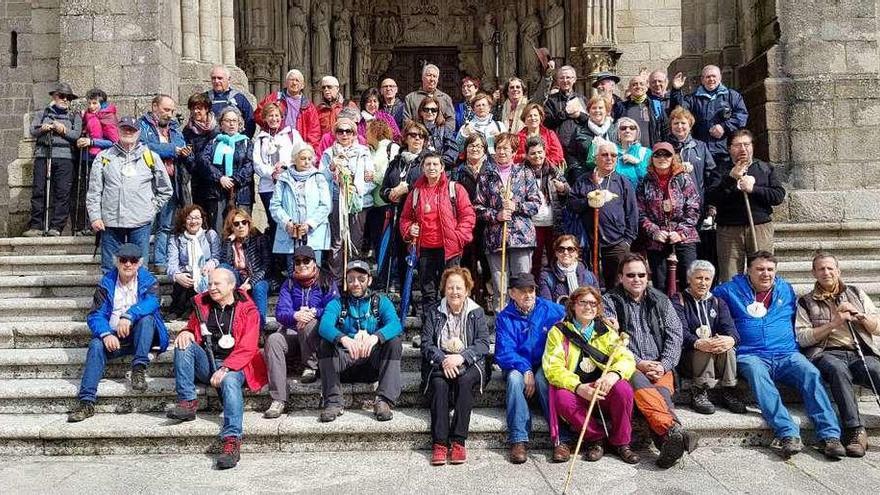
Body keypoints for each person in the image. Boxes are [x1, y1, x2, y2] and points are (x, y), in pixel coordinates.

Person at [714, 251, 846, 460]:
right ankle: (788, 432)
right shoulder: (729, 291)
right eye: (759, 269)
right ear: (748, 270)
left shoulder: (785, 288)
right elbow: (705, 303)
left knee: (811, 373)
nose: (765, 274)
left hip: (787, 353)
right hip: (751, 354)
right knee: (759, 376)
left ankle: (830, 435)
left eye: (770, 270)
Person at [166, 268, 269, 470]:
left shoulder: (249, 309)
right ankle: (188, 401)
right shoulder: (201, 304)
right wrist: (186, 332)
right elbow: (192, 327)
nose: (211, 288)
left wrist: (227, 368)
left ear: (231, 286)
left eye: (217, 284)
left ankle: (232, 440)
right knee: (183, 343)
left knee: (230, 381)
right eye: (210, 283)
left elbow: (248, 346)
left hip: (238, 364)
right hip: (208, 362)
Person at [604, 253, 694, 469]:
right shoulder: (609, 301)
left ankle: (669, 442)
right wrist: (639, 363)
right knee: (651, 392)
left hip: (660, 365)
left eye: (641, 275)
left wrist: (663, 364)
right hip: (628, 365)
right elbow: (610, 340)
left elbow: (675, 334)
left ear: (648, 276)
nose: (637, 279)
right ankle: (673, 430)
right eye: (631, 275)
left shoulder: (661, 300)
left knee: (660, 394)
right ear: (620, 277)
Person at [66, 243, 170, 422]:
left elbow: (152, 302)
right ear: (117, 262)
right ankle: (86, 402)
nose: (128, 264)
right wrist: (106, 333)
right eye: (124, 260)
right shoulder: (106, 283)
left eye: (133, 260)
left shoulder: (149, 280)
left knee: (147, 319)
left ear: (139, 263)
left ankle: (138, 369)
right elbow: (95, 315)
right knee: (96, 344)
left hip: (142, 337)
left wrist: (129, 315)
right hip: (115, 337)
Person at [795, 252, 880, 457]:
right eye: (821, 269)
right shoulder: (806, 302)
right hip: (827, 353)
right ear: (813, 273)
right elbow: (802, 337)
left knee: (876, 368)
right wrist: (833, 323)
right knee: (837, 370)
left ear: (838, 271)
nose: (826, 272)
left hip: (859, 351)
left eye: (830, 268)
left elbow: (877, 327)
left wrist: (861, 317)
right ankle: (855, 431)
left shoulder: (856, 293)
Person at [543, 286, 640, 464]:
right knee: (562, 398)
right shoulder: (558, 332)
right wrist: (579, 387)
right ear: (573, 305)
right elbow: (553, 368)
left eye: (593, 303)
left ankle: (622, 442)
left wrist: (613, 375)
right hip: (578, 392)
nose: (589, 307)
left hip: (603, 390)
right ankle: (596, 439)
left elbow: (626, 358)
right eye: (583, 302)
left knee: (623, 389)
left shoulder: (606, 331)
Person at [317, 260, 403, 422]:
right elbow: (324, 326)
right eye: (351, 279)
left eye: (361, 279)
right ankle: (334, 402)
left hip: (372, 364)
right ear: (346, 281)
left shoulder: (380, 301)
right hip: (344, 365)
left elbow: (396, 324)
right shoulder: (337, 303)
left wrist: (376, 337)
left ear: (369, 280)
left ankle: (384, 400)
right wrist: (343, 339)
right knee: (325, 343)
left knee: (394, 342)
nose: (355, 283)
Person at [494, 273, 567, 463]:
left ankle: (561, 438)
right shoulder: (504, 317)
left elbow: (576, 312)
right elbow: (504, 352)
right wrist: (526, 369)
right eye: (523, 291)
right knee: (514, 379)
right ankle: (519, 439)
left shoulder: (551, 309)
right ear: (512, 293)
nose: (529, 295)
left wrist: (603, 317)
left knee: (545, 378)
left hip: (545, 363)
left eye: (532, 290)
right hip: (517, 365)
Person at [421, 267, 490, 465]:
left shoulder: (476, 312)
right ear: (444, 289)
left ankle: (459, 441)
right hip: (440, 360)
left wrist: (461, 358)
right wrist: (443, 359)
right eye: (450, 287)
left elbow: (483, 343)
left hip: (469, 361)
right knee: (440, 385)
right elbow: (426, 343)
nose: (454, 292)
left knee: (465, 379)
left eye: (459, 287)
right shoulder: (434, 312)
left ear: (467, 290)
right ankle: (440, 443)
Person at [86, 117, 172, 273]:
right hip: (110, 222)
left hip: (140, 222)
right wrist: (95, 216)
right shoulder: (104, 157)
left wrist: (150, 209)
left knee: (140, 269)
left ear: (138, 132)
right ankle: (110, 297)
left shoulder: (151, 157)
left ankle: (140, 297)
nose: (128, 132)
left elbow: (166, 189)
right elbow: (94, 191)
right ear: (118, 130)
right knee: (110, 269)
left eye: (132, 129)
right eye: (124, 128)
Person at [264, 246, 339, 418]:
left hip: (316, 336)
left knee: (309, 323)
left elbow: (334, 307)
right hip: (292, 333)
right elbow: (280, 313)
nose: (302, 265)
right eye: (297, 262)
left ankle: (310, 367)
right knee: (274, 339)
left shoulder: (327, 280)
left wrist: (313, 313)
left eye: (306, 261)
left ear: (314, 263)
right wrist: (295, 315)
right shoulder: (289, 283)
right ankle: (278, 399)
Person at [399, 152, 476, 316]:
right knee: (428, 292)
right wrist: (408, 229)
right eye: (428, 164)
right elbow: (405, 218)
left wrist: (458, 237)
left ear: (442, 168)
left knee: (450, 290)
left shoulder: (454, 189)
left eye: (435, 164)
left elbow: (468, 215)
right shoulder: (415, 193)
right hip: (425, 249)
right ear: (423, 168)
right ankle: (429, 330)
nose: (431, 167)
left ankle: (450, 327)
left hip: (449, 250)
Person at [475, 133, 541, 312]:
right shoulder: (486, 176)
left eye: (506, 148)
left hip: (521, 237)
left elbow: (535, 204)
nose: (501, 152)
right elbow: (478, 208)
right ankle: (502, 327)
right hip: (495, 239)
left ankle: (524, 323)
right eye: (498, 148)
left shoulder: (524, 173)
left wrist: (516, 205)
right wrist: (496, 215)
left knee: (523, 285)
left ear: (513, 152)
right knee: (500, 287)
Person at [710, 129, 785, 282]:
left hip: (759, 226)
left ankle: (761, 304)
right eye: (737, 145)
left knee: (762, 271)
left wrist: (753, 189)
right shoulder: (720, 170)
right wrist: (731, 179)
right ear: (729, 148)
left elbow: (778, 196)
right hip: (729, 229)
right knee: (730, 275)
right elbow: (712, 197)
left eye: (746, 144)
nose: (742, 149)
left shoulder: (765, 168)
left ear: (752, 147)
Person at [671, 260, 745, 415]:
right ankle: (699, 391)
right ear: (689, 279)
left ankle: (729, 389)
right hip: (689, 357)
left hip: (715, 356)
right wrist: (698, 343)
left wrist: (729, 340)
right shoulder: (678, 301)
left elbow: (732, 331)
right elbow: (680, 332)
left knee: (728, 348)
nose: (703, 283)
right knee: (703, 349)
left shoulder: (718, 302)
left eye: (707, 279)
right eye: (698, 278)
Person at [567, 140, 638, 290]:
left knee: (617, 286)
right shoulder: (584, 180)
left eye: (613, 155)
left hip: (617, 243)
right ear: (595, 158)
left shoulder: (623, 182)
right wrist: (589, 201)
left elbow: (632, 213)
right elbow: (572, 204)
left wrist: (627, 241)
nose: (609, 158)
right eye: (604, 155)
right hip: (588, 244)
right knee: (589, 285)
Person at [637, 141, 701, 294]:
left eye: (667, 154)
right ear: (652, 158)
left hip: (684, 237)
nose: (662, 158)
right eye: (658, 154)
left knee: (689, 279)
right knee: (660, 284)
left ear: (673, 157)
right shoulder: (645, 182)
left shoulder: (684, 179)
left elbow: (694, 207)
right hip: (657, 239)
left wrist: (680, 232)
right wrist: (654, 231)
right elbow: (640, 213)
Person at [23, 82, 83, 237]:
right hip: (44, 155)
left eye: (68, 98)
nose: (65, 99)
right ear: (54, 96)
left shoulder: (74, 115)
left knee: (62, 192)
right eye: (62, 96)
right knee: (39, 190)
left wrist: (62, 130)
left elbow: (76, 135)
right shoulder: (43, 113)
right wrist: (43, 128)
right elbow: (32, 130)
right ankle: (36, 225)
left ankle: (57, 226)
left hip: (65, 158)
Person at [319, 117, 374, 279]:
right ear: (335, 134)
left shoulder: (363, 152)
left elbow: (370, 179)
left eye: (348, 131)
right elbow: (321, 179)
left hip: (357, 201)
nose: (344, 135)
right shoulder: (329, 154)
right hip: (336, 200)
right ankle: (336, 278)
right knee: (337, 241)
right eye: (340, 131)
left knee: (355, 239)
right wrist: (331, 169)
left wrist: (356, 189)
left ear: (354, 134)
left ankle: (353, 276)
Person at [379, 122, 431, 290]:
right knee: (401, 256)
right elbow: (383, 189)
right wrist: (390, 194)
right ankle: (403, 297)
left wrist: (407, 187)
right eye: (413, 135)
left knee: (421, 260)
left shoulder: (428, 161)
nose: (417, 139)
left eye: (421, 136)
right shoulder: (396, 162)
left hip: (421, 217)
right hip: (398, 215)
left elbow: (431, 184)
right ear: (405, 138)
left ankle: (421, 298)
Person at [138, 94, 187, 272]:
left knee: (166, 226)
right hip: (148, 182)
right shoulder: (142, 125)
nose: (170, 114)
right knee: (146, 224)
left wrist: (181, 151)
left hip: (171, 182)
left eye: (172, 111)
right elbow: (144, 147)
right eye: (166, 110)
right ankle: (141, 264)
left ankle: (160, 262)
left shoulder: (174, 128)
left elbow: (182, 146)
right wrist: (172, 150)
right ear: (154, 107)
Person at [670, 65, 749, 166]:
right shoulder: (693, 99)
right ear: (702, 80)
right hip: (701, 152)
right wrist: (676, 90)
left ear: (720, 78)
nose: (711, 79)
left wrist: (724, 127)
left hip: (725, 152)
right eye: (707, 77)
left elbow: (741, 116)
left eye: (714, 76)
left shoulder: (732, 96)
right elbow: (679, 111)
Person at [270, 143, 332, 268]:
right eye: (303, 159)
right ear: (294, 159)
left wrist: (310, 224)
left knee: (314, 270)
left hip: (313, 233)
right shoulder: (283, 179)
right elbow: (275, 205)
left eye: (309, 159)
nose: (307, 162)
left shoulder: (318, 177)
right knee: (293, 270)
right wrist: (287, 222)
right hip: (291, 233)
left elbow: (325, 205)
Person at [253, 102, 303, 255]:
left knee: (289, 221)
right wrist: (271, 172)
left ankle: (293, 257)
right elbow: (257, 163)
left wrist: (285, 167)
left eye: (276, 115)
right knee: (274, 223)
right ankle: (277, 261)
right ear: (265, 118)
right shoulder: (260, 139)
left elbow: (301, 154)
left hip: (288, 185)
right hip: (268, 187)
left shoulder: (292, 134)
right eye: (270, 116)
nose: (274, 119)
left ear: (282, 117)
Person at [452, 133, 492, 306]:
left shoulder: (492, 170)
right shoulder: (457, 171)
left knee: (487, 260)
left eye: (479, 146)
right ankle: (469, 295)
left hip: (488, 222)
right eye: (471, 146)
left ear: (484, 150)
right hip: (465, 223)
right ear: (465, 149)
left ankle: (487, 295)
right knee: (467, 260)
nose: (475, 149)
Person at [201, 106, 255, 233]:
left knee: (242, 229)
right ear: (221, 123)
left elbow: (250, 164)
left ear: (239, 123)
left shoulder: (247, 143)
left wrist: (234, 180)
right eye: (227, 120)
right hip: (218, 192)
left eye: (234, 121)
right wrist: (220, 177)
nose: (231, 124)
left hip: (241, 193)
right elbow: (204, 161)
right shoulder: (214, 142)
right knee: (219, 230)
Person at [219, 208, 273, 332]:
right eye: (236, 224)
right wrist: (228, 242)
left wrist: (250, 283)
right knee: (223, 269)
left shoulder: (260, 239)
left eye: (244, 222)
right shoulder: (229, 243)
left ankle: (259, 329)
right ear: (231, 227)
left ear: (249, 224)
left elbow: (266, 267)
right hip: (238, 279)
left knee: (259, 287)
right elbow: (225, 266)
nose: (241, 226)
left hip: (260, 279)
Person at [522, 137, 569, 278]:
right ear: (527, 155)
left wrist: (562, 189)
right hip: (532, 225)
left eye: (540, 152)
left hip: (552, 223)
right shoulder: (521, 172)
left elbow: (568, 190)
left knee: (554, 260)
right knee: (534, 262)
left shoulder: (553, 170)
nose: (537, 156)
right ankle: (535, 292)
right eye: (533, 153)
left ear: (545, 152)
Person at [74, 88, 119, 234]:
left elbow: (114, 142)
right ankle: (86, 224)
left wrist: (92, 142)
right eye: (89, 103)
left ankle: (97, 224)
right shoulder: (88, 116)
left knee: (98, 192)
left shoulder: (108, 117)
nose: (91, 106)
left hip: (101, 159)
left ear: (102, 104)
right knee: (87, 192)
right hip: (87, 158)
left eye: (95, 103)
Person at [165, 204, 221, 320]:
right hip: (186, 275)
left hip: (205, 274)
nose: (193, 221)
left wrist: (212, 263)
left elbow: (217, 257)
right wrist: (177, 275)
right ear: (184, 220)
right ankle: (179, 309)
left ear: (202, 219)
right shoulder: (176, 238)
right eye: (189, 218)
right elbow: (171, 264)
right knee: (184, 279)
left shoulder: (210, 235)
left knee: (202, 278)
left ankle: (192, 309)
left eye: (197, 218)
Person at [254, 68, 321, 148]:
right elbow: (258, 114)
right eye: (291, 80)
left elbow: (314, 131)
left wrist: (308, 148)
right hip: (275, 141)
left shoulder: (309, 107)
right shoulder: (275, 98)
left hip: (298, 145)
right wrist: (271, 124)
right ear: (286, 83)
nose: (294, 83)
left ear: (302, 85)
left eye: (297, 80)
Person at [543, 66, 589, 181]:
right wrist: (565, 113)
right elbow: (547, 122)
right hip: (558, 149)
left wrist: (580, 115)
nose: (565, 80)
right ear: (557, 80)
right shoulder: (551, 101)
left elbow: (590, 121)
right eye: (561, 78)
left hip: (578, 151)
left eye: (568, 77)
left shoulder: (582, 99)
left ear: (574, 79)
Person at [667, 106, 718, 205]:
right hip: (672, 201)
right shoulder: (665, 147)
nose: (679, 126)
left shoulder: (701, 147)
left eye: (683, 123)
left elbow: (711, 175)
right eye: (676, 123)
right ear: (671, 126)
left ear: (690, 126)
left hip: (697, 200)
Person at [365, 120, 400, 258]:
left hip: (387, 204)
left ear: (375, 131)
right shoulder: (371, 150)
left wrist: (374, 176)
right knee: (377, 239)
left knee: (387, 241)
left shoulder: (392, 148)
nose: (365, 133)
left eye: (368, 130)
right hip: (374, 204)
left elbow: (391, 174)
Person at [182, 93, 219, 215]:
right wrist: (189, 158)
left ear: (207, 109)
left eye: (199, 108)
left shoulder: (217, 129)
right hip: (198, 182)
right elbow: (189, 156)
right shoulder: (187, 130)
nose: (195, 111)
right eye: (193, 108)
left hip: (216, 181)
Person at [538, 234, 599, 304]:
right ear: (556, 253)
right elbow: (547, 306)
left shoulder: (589, 276)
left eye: (570, 249)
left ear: (577, 253)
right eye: (561, 249)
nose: (565, 252)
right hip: (559, 314)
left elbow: (597, 303)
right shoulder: (546, 277)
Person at [613, 74, 668, 148]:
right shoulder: (621, 107)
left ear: (646, 87)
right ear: (630, 88)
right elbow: (615, 130)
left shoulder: (655, 105)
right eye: (634, 84)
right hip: (627, 152)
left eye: (641, 84)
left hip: (650, 153)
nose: (638, 87)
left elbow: (665, 129)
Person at [569, 95, 616, 178]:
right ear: (588, 111)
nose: (597, 111)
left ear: (607, 111)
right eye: (594, 108)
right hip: (585, 177)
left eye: (600, 108)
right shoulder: (579, 131)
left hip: (611, 177)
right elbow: (571, 153)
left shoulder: (615, 129)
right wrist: (577, 171)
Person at [206, 65, 255, 137]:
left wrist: (242, 140)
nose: (216, 81)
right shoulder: (205, 98)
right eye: (213, 78)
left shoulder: (239, 98)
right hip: (210, 143)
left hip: (233, 143)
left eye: (220, 78)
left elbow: (250, 122)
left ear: (228, 79)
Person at [404, 64, 456, 131]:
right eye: (429, 75)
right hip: (418, 137)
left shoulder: (445, 98)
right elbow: (406, 121)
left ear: (437, 80)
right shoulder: (410, 98)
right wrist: (420, 133)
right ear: (422, 78)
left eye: (435, 76)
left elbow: (451, 121)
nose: (432, 79)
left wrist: (441, 134)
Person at [416, 96, 459, 168]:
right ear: (421, 112)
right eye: (426, 109)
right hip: (419, 172)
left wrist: (434, 162)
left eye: (433, 110)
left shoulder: (445, 130)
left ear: (437, 112)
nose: (430, 112)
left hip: (440, 173)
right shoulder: (414, 130)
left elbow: (452, 155)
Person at [614, 117, 652, 190]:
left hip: (639, 197)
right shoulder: (612, 152)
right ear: (618, 133)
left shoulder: (645, 152)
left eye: (632, 128)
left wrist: (637, 162)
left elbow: (650, 178)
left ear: (637, 132)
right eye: (623, 128)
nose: (627, 131)